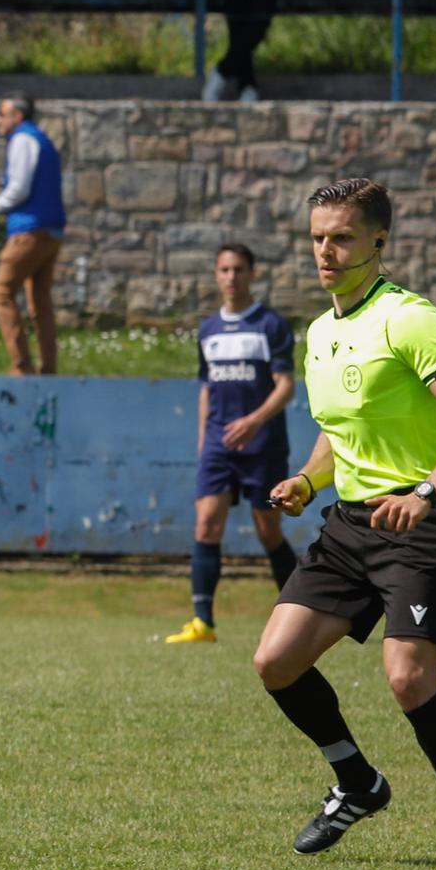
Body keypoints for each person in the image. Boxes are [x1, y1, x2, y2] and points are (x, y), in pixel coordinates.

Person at [254, 178, 436, 870]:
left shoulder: (408, 318)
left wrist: (428, 491)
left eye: (340, 236)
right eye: (316, 237)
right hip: (350, 526)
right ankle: (357, 781)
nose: (326, 251)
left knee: (408, 678)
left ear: (378, 241)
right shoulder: (322, 331)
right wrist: (307, 479)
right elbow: (343, 433)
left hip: (417, 524)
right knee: (275, 662)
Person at [166, 243, 297, 644]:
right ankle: (203, 621)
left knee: (267, 530)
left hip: (263, 446)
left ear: (252, 273)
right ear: (216, 275)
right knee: (206, 523)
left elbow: (286, 386)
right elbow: (207, 387)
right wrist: (206, 441)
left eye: (239, 269)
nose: (231, 277)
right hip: (219, 447)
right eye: (224, 269)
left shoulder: (271, 325)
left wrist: (255, 421)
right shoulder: (208, 329)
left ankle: (302, 612)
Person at [0, 93, 64, 377]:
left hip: (29, 230)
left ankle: (22, 366)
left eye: (2, 113)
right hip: (52, 230)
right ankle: (49, 368)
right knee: (39, 300)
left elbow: (19, 187)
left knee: (1, 293)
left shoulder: (22, 139)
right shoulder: (43, 140)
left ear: (17, 116)